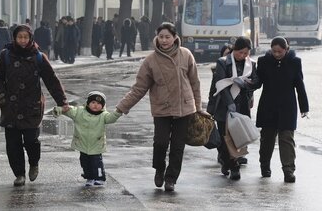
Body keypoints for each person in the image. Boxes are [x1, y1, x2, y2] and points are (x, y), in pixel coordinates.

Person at [116, 22, 205, 192]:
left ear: (174, 38)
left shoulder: (186, 55)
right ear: (156, 38)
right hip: (161, 109)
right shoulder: (150, 61)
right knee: (160, 143)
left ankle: (171, 178)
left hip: (184, 108)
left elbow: (195, 83)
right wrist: (121, 107)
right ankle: (159, 168)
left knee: (178, 147)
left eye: (167, 37)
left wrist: (198, 106)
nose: (164, 40)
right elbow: (139, 88)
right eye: (161, 37)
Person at [0, 25, 68, 187]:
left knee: (31, 141)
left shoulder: (38, 57)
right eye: (20, 37)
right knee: (13, 144)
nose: (23, 40)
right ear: (15, 38)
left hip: (32, 107)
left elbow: (51, 81)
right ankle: (19, 174)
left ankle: (34, 163)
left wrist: (62, 101)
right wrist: (3, 98)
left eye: (25, 37)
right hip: (11, 107)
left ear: (30, 38)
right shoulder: (6, 55)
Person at [253, 36, 309, 183]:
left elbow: (299, 85)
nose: (276, 54)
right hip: (268, 106)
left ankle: (288, 171)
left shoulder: (295, 62)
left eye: (280, 51)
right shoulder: (263, 62)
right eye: (274, 51)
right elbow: (258, 82)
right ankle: (265, 166)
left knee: (287, 140)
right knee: (267, 139)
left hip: (287, 107)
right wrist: (249, 83)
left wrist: (304, 107)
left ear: (286, 49)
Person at [211, 36, 257, 180]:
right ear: (234, 49)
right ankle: (228, 163)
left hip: (242, 105)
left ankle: (234, 164)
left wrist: (246, 85)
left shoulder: (251, 64)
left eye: (245, 53)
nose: (242, 56)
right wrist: (229, 102)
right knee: (224, 139)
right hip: (224, 106)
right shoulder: (223, 62)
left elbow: (257, 82)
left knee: (238, 137)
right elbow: (221, 84)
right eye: (240, 52)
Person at [53, 91, 122, 187]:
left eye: (98, 104)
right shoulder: (79, 112)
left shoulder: (103, 115)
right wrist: (59, 109)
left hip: (96, 144)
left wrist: (118, 112)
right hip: (82, 143)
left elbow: (111, 118)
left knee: (96, 162)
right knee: (85, 162)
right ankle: (89, 177)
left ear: (103, 106)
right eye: (93, 102)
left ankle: (99, 177)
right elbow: (68, 110)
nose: (95, 105)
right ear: (88, 103)